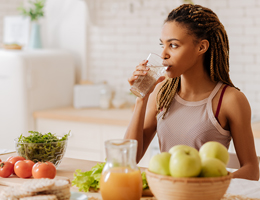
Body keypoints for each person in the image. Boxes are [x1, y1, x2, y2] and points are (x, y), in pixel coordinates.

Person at [125, 4, 259, 180]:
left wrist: (209, 184)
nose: (163, 54)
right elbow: (128, 159)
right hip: (167, 194)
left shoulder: (230, 100)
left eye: (173, 45)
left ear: (201, 47)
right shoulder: (161, 92)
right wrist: (141, 98)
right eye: (162, 44)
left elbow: (251, 169)